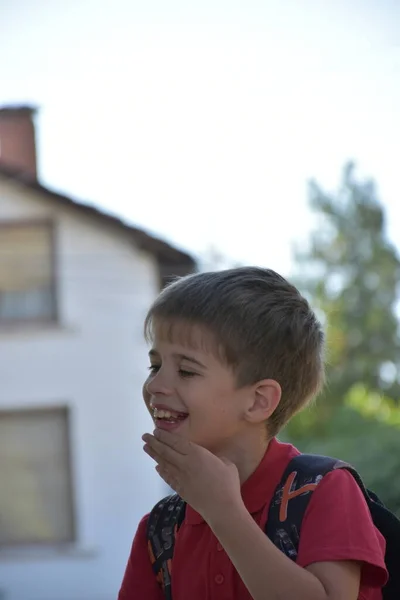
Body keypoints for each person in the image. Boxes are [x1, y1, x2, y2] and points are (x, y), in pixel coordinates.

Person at [118, 267, 387, 600]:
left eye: (186, 370)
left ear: (259, 401)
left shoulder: (325, 490)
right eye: (155, 366)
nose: (155, 385)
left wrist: (223, 512)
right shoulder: (159, 531)